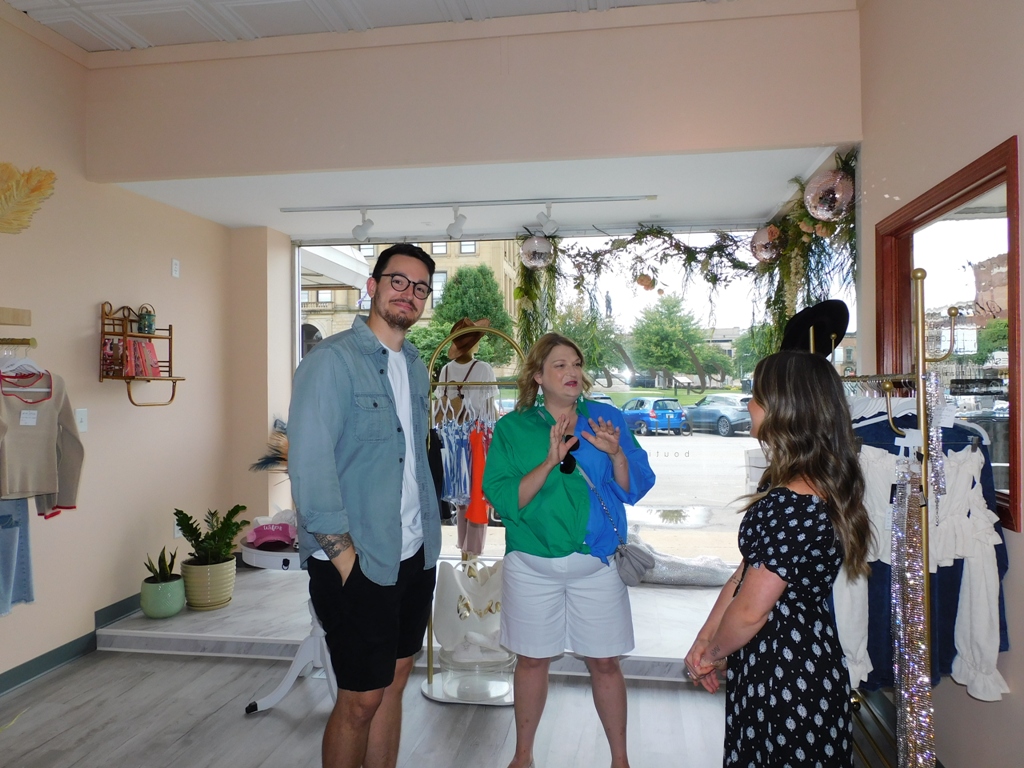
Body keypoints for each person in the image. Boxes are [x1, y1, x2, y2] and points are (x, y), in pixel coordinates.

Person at [287, 243, 441, 768]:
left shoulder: (415, 366)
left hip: (413, 553)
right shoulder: (331, 361)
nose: (409, 294)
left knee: (395, 680)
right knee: (359, 699)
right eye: (398, 281)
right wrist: (345, 560)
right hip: (358, 558)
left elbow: (411, 460)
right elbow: (310, 468)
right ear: (372, 286)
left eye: (420, 288)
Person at [684, 350, 872, 768]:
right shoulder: (807, 484)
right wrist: (706, 639)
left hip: (785, 675)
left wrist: (712, 654)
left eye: (756, 396)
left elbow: (751, 611)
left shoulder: (789, 504)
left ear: (785, 410)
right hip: (799, 661)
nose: (748, 404)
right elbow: (744, 573)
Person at [483, 333, 655, 768]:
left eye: (576, 363)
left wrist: (615, 454)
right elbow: (505, 500)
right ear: (538, 376)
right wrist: (548, 460)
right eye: (559, 365)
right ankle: (523, 756)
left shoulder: (606, 419)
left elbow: (634, 486)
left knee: (605, 662)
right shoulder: (513, 428)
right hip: (531, 564)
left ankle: (620, 759)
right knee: (531, 660)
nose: (572, 372)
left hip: (596, 562)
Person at [436, 317, 499, 557]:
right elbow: (490, 409)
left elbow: (440, 408)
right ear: (472, 344)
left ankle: (464, 548)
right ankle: (472, 551)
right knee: (477, 494)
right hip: (476, 438)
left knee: (461, 495)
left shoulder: (446, 370)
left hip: (453, 438)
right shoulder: (483, 369)